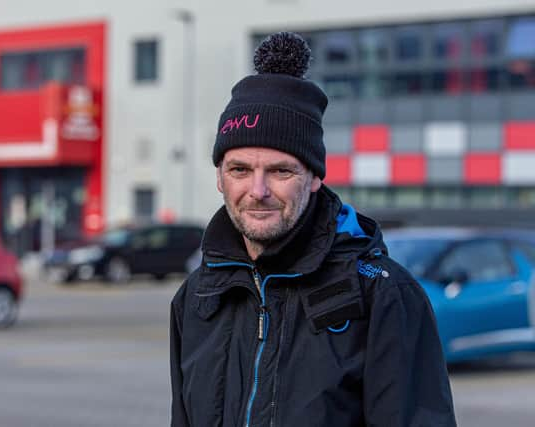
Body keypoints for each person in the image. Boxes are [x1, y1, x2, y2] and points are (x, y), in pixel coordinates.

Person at [170, 32, 457, 427]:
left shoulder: (383, 295)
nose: (257, 191)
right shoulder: (197, 297)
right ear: (220, 177)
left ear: (315, 177)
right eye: (240, 170)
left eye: (280, 171)